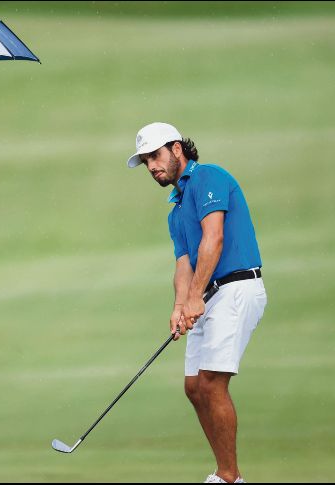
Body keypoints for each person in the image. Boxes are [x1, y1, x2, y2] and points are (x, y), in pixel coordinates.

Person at [127, 122, 267, 484]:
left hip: (236, 288)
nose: (152, 167)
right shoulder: (175, 208)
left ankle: (230, 477)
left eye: (155, 156)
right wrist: (179, 306)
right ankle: (226, 474)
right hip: (209, 295)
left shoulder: (208, 177)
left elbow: (214, 239)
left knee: (210, 383)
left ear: (177, 149)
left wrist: (193, 298)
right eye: (145, 162)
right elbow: (183, 263)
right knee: (193, 387)